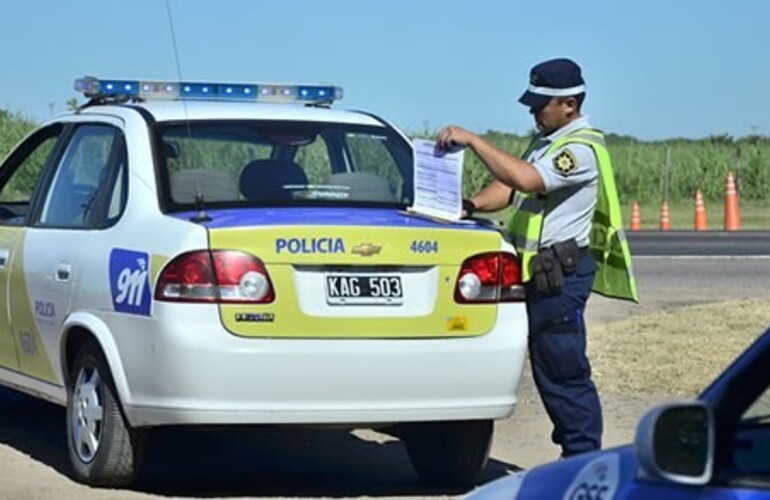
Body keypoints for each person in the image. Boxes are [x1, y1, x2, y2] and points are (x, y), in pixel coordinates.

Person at [437, 57, 638, 458]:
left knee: (563, 370)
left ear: (570, 103)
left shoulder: (579, 150)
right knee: (549, 370)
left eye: (541, 103)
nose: (534, 110)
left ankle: (581, 459)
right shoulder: (547, 142)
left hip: (559, 275)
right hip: (538, 273)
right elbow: (509, 189)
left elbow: (527, 180)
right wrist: (469, 205)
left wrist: (475, 141)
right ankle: (577, 454)